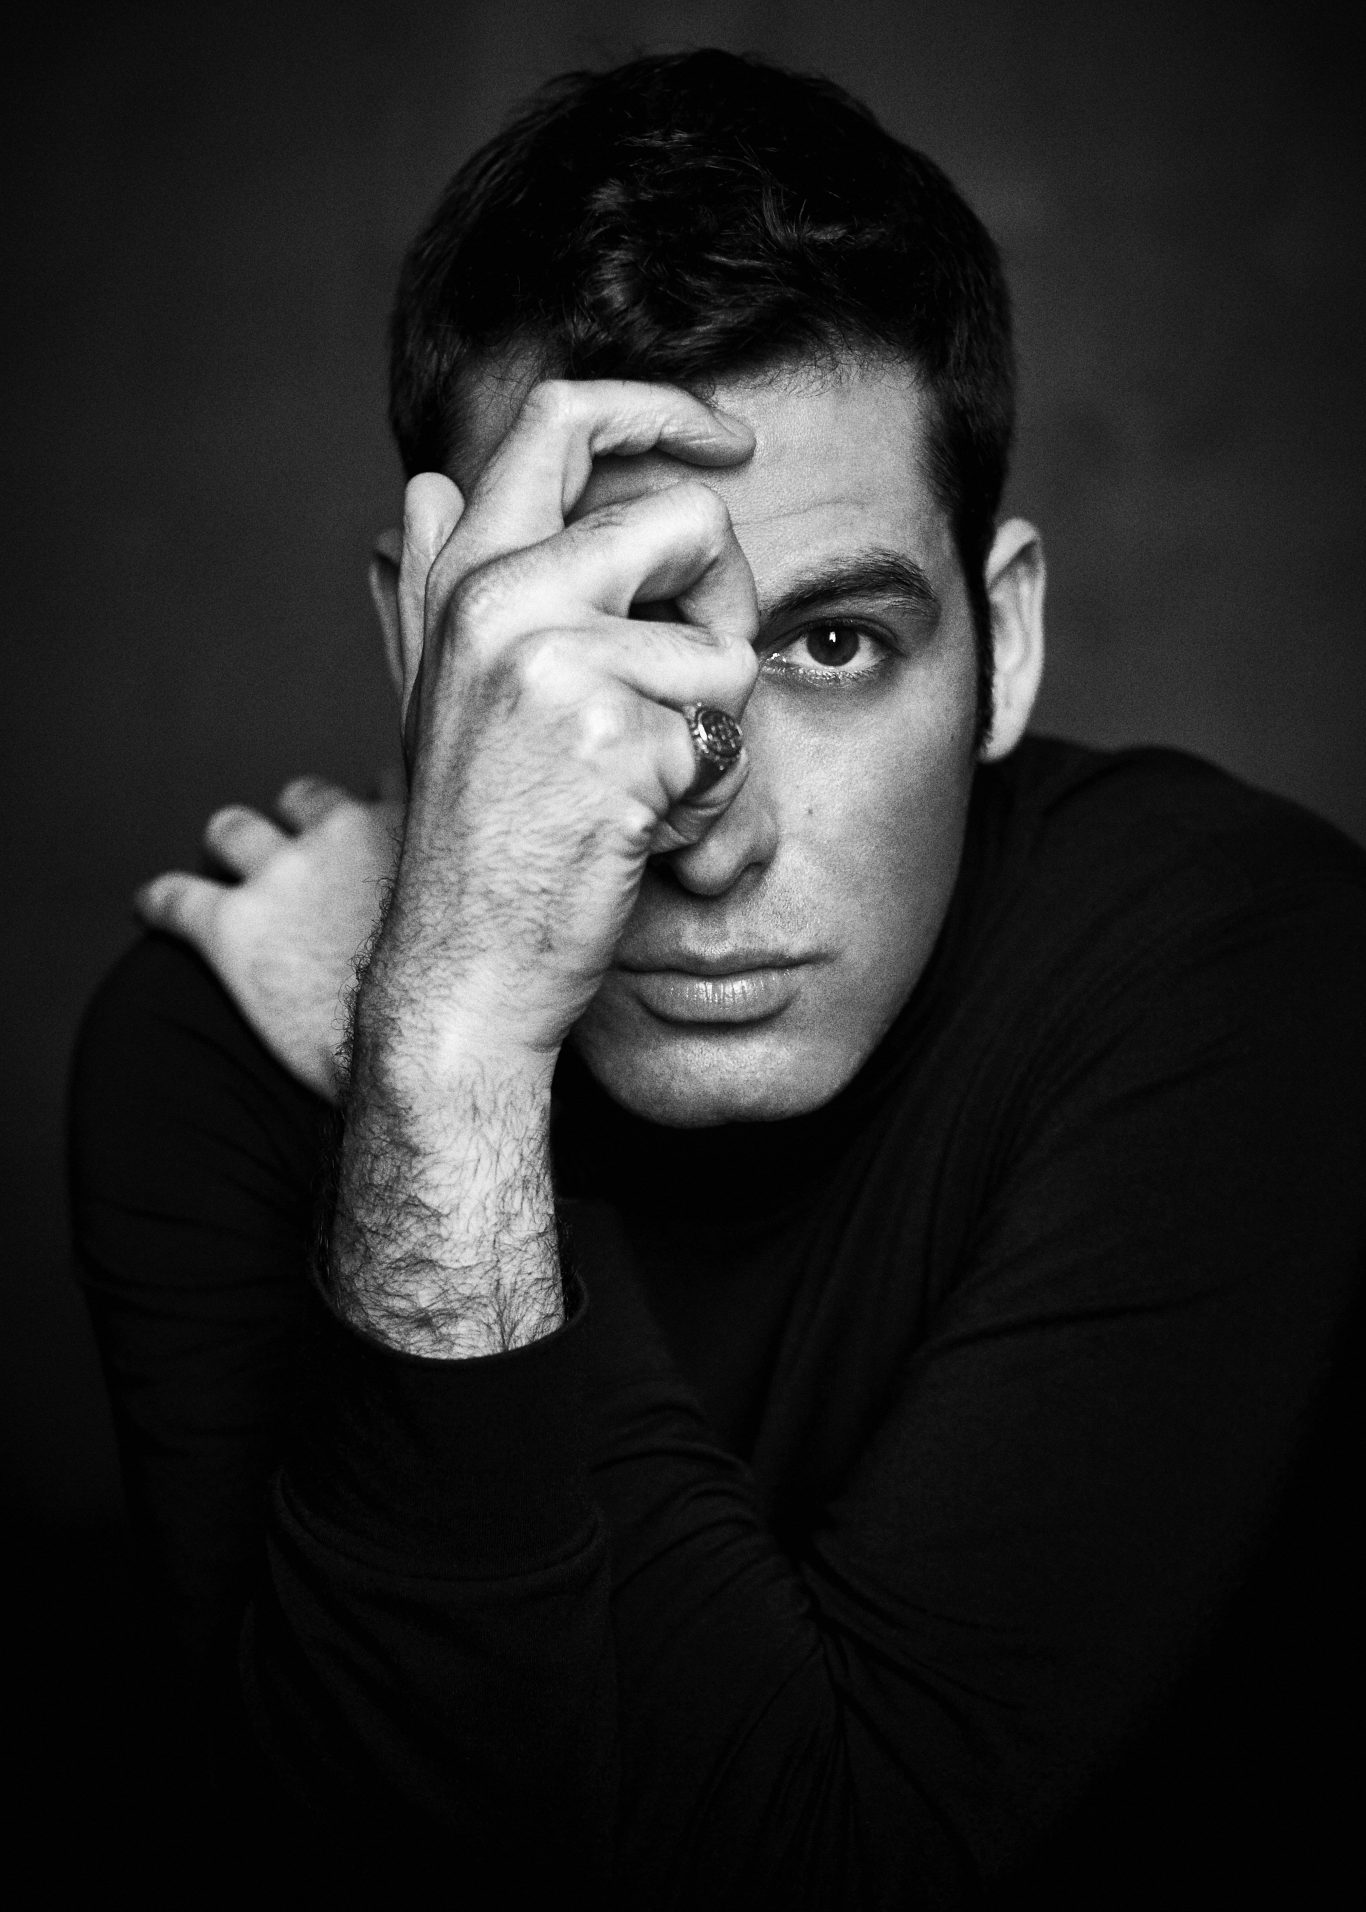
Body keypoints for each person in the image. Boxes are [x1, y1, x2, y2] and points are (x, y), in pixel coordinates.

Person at [69, 48, 1365, 1906]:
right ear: (426, 650)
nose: (712, 830)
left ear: (1001, 645)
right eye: (609, 641)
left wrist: (393, 1031)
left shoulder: (1233, 969)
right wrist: (449, 1052)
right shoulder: (203, 1047)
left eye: (832, 647)